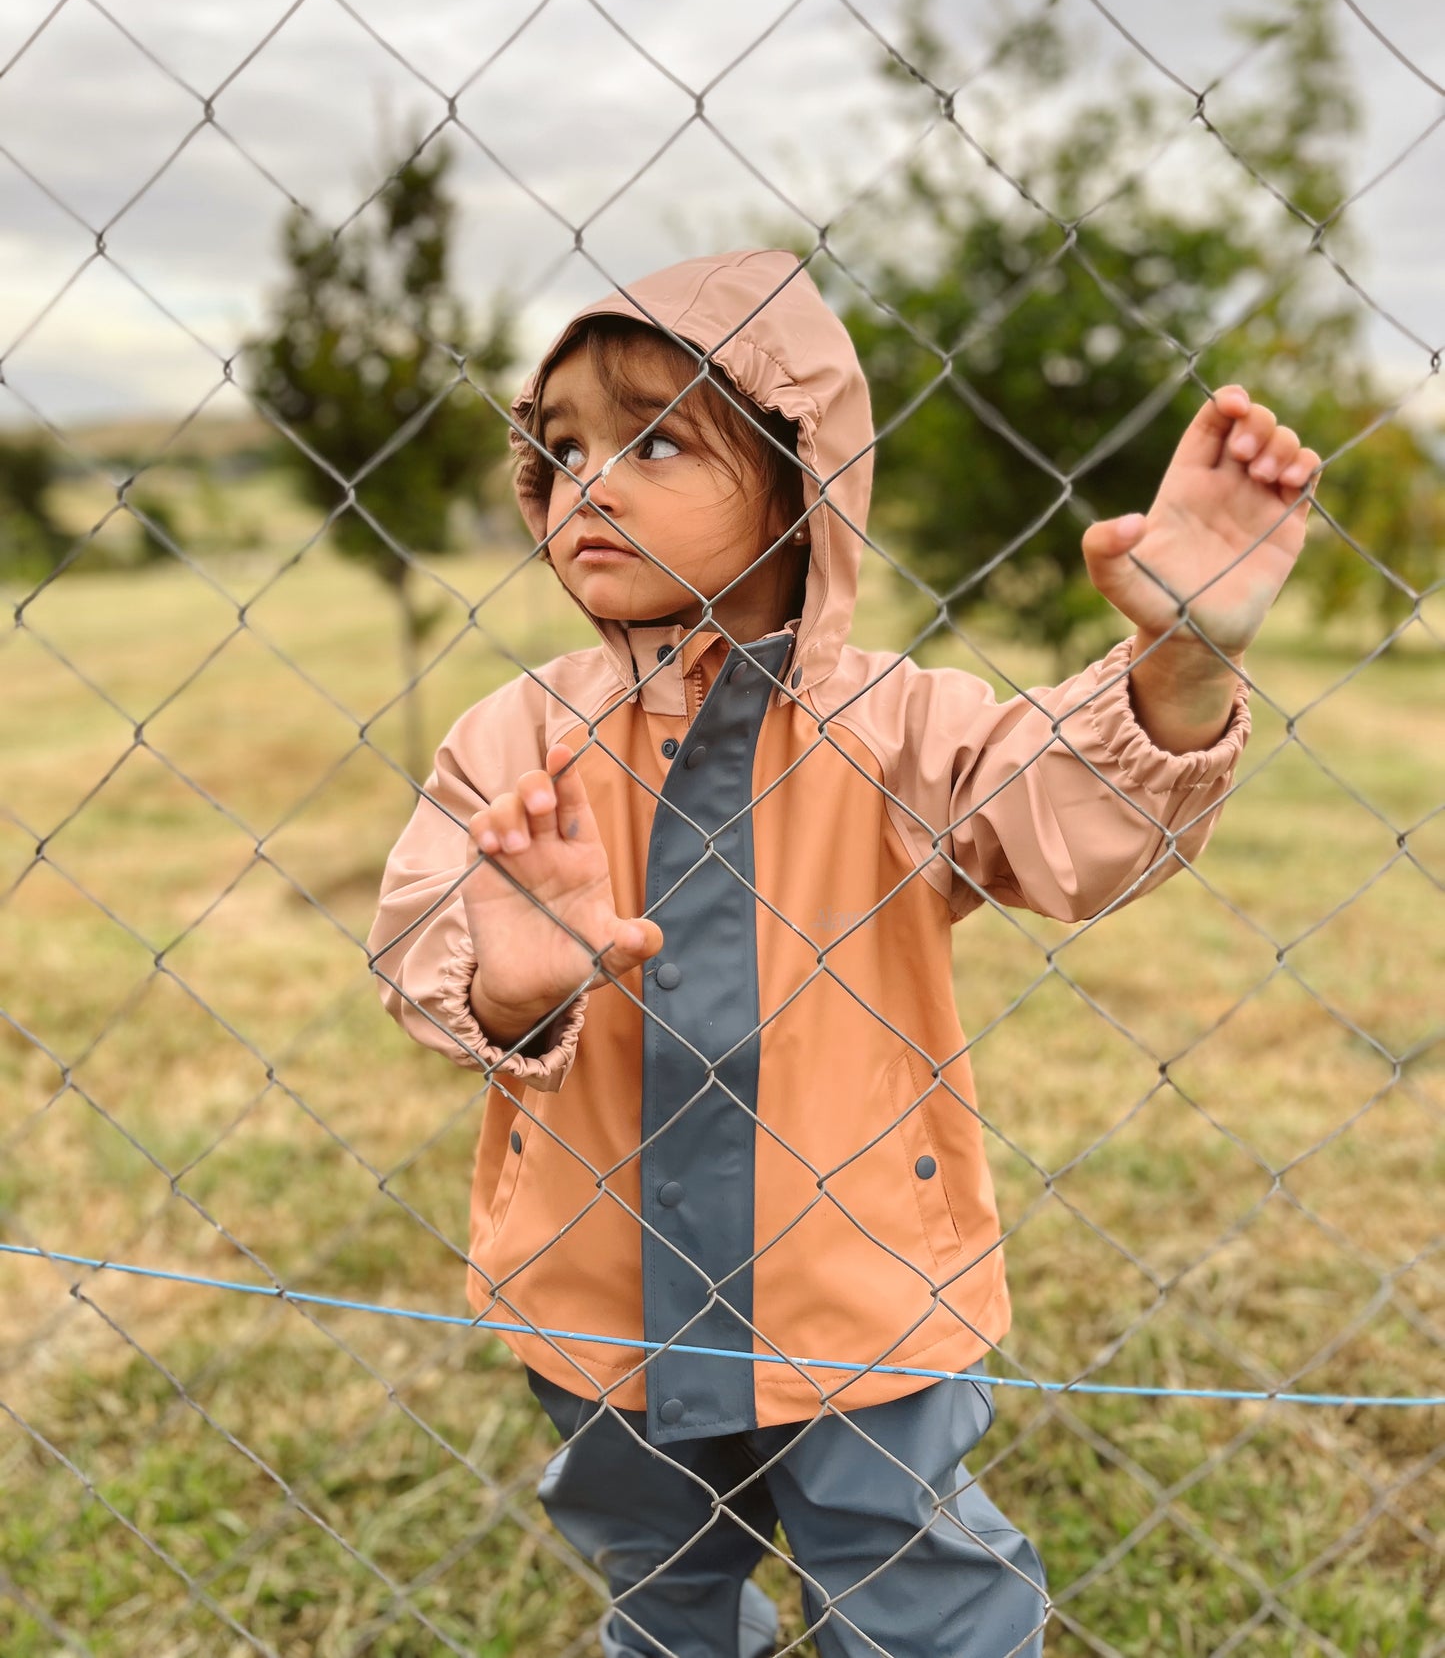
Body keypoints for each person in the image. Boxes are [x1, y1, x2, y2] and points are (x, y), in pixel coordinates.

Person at [367, 249, 1319, 1658]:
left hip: (861, 1286)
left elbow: (1062, 820)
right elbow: (421, 937)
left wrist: (1176, 668)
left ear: (798, 481)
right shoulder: (513, 739)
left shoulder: (900, 725)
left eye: (655, 438)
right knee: (658, 1574)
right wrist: (510, 973)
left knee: (911, 1579)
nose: (591, 483)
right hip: (593, 1286)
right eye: (560, 449)